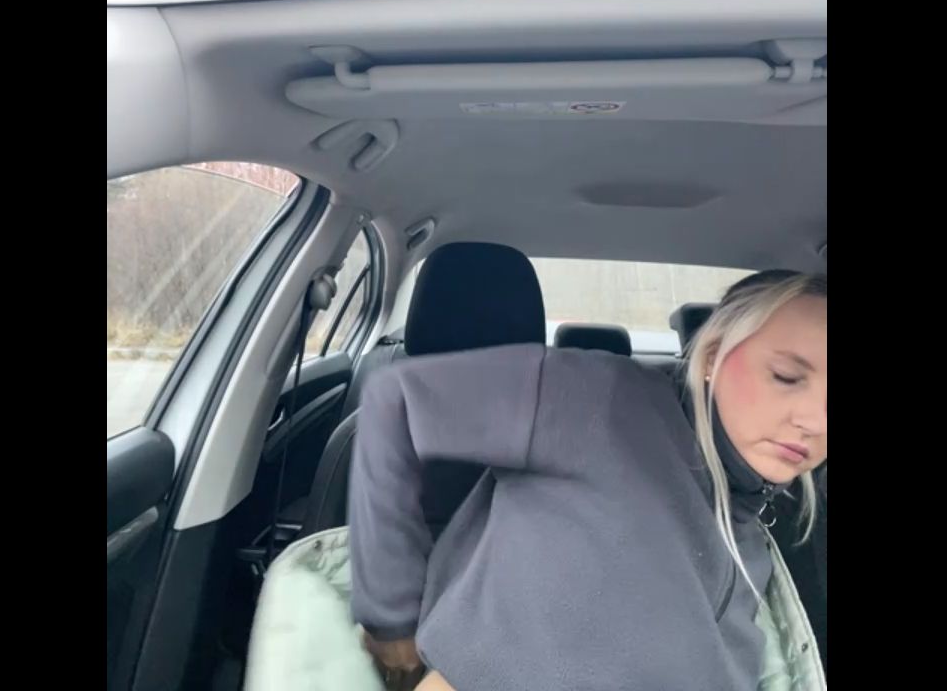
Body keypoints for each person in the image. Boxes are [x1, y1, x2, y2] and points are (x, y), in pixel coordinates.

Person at [349, 269, 827, 690]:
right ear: (711, 358)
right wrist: (390, 619)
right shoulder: (598, 399)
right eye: (786, 376)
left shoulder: (763, 533)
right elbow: (397, 403)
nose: (817, 421)